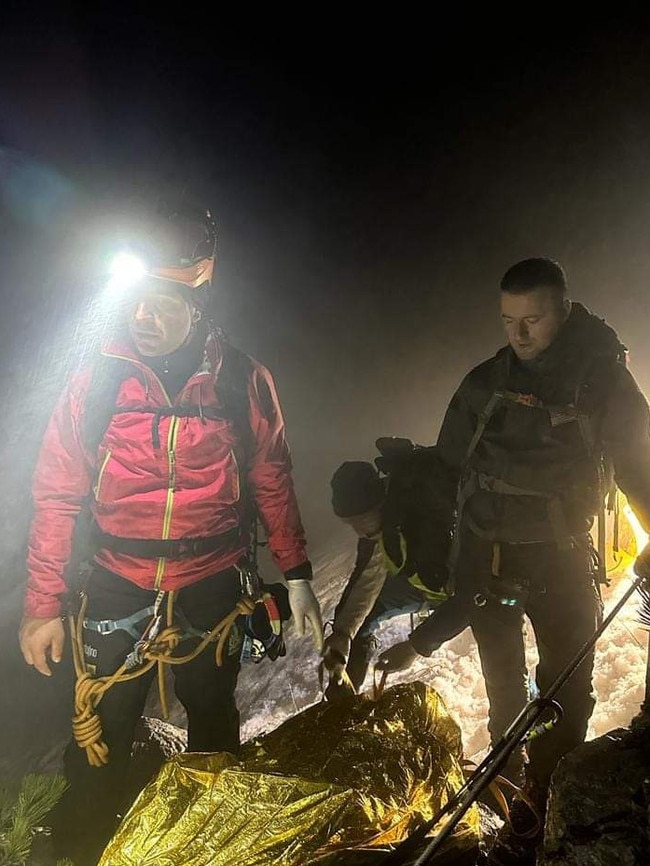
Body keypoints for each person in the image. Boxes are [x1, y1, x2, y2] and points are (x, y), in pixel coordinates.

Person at [18, 203, 323, 864]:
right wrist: (41, 605)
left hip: (212, 579)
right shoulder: (97, 378)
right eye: (134, 303)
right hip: (116, 579)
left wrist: (296, 572)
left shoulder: (240, 379)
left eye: (159, 303)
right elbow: (58, 489)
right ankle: (81, 850)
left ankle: (211, 846)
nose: (142, 317)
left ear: (196, 303)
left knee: (212, 718)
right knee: (101, 727)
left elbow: (271, 473)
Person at [377, 258, 650, 818]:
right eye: (508, 321)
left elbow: (639, 466)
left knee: (566, 694)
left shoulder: (601, 382)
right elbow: (451, 464)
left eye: (534, 319)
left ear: (564, 310)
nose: (519, 334)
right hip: (487, 555)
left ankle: (549, 799)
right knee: (503, 687)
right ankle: (511, 788)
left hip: (561, 557)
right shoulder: (485, 383)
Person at [322, 441, 459, 698]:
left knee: (500, 655)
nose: (359, 531)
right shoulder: (383, 528)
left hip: (473, 595)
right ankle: (344, 696)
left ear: (380, 505)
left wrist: (416, 646)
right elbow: (366, 583)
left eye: (360, 521)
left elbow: (471, 597)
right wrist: (342, 634)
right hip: (431, 590)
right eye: (350, 524)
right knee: (364, 618)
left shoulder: (428, 525)